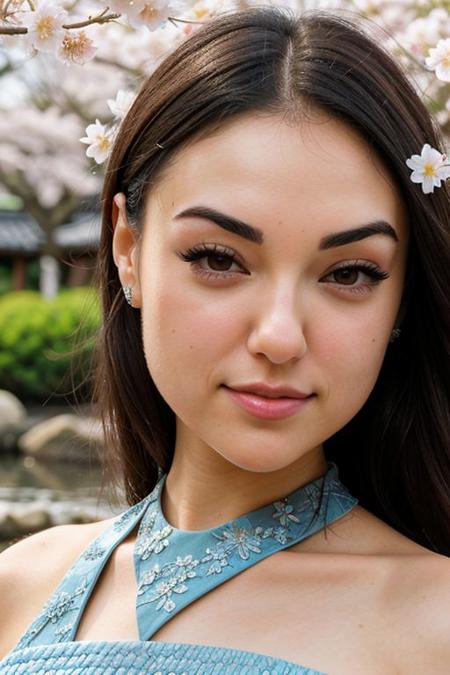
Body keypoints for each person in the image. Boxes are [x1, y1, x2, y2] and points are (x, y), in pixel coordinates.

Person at [0, 5, 449, 674]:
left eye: (350, 273)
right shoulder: (16, 586)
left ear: (402, 298)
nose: (278, 336)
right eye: (217, 258)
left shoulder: (434, 619)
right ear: (128, 249)